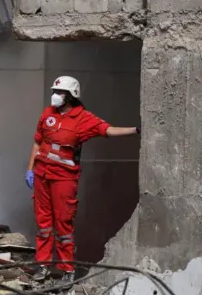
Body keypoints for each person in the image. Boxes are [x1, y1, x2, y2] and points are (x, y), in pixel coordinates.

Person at [25, 76, 140, 283]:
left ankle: (66, 269)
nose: (55, 96)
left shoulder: (83, 119)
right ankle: (42, 264)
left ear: (70, 96)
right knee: (43, 223)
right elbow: (37, 143)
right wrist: (30, 169)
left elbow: (109, 130)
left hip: (63, 179)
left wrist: (136, 130)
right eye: (55, 91)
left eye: (60, 93)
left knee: (63, 225)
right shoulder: (47, 114)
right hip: (42, 176)